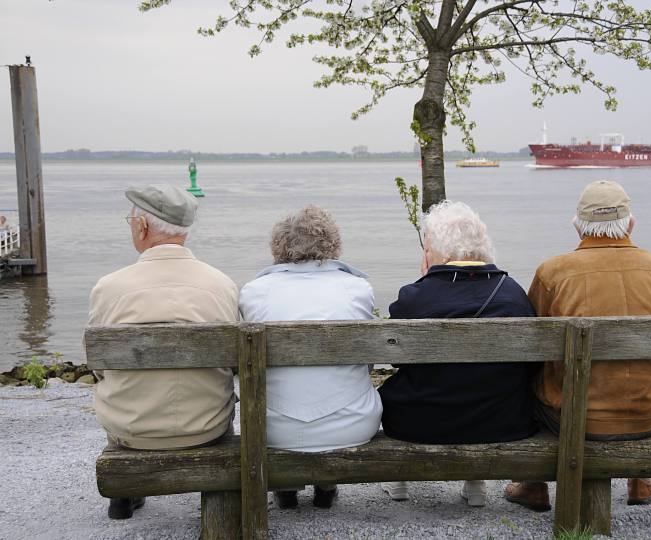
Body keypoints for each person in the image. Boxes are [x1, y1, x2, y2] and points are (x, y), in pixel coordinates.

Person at [504, 180, 651, 511]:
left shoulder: (552, 273)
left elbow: (530, 350)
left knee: (529, 381)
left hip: (573, 419)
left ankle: (532, 484)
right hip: (649, 413)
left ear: (577, 225)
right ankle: (640, 479)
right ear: (631, 222)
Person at [88, 184, 238, 520]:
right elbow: (232, 365)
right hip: (207, 426)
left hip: (132, 429)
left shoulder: (109, 288)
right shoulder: (222, 285)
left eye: (130, 220)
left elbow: (98, 368)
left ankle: (125, 496)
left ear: (141, 227)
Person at [378, 200, 538, 507]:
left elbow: (396, 358)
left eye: (426, 248)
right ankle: (476, 482)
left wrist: (423, 281)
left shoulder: (414, 299)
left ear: (440, 253)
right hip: (503, 422)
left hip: (421, 424)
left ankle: (398, 479)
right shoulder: (514, 296)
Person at [238, 205, 382, 509]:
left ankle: (287, 486)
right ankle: (326, 484)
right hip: (350, 423)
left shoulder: (253, 292)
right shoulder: (358, 289)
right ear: (332, 243)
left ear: (278, 246)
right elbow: (367, 360)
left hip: (270, 427)